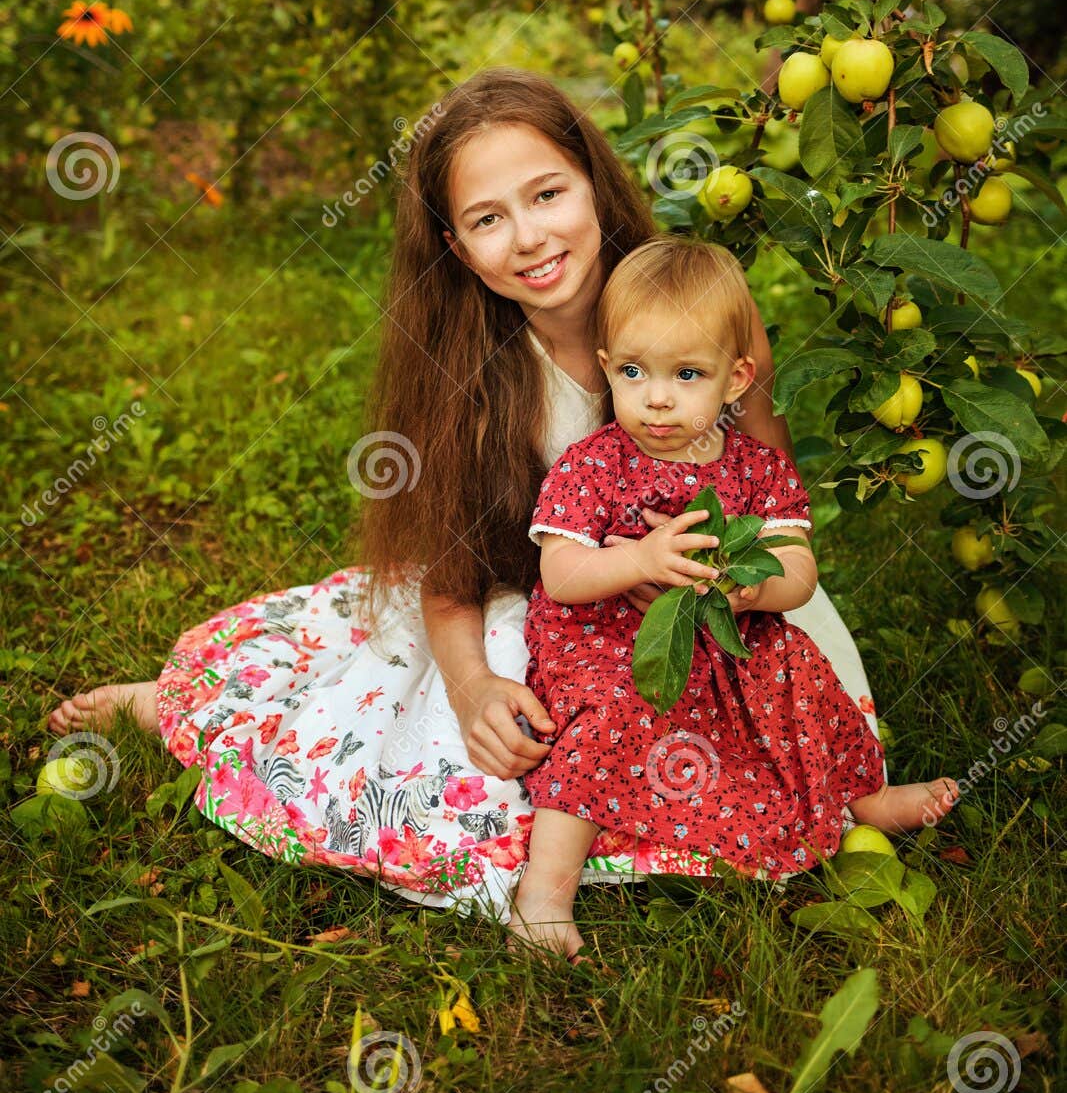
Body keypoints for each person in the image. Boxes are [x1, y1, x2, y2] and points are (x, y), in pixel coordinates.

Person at [48, 68, 894, 922]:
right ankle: (183, 710)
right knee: (453, 758)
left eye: (547, 194)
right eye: (489, 219)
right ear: (456, 246)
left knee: (800, 731)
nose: (528, 237)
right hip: (553, 609)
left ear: (595, 187)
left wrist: (721, 571)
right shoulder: (472, 372)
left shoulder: (701, 309)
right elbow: (452, 572)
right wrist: (471, 690)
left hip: (717, 605)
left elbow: (771, 489)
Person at [508, 238, 959, 962]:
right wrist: (637, 560)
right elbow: (559, 574)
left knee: (801, 671)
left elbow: (798, 570)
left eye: (686, 374)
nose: (656, 397)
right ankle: (545, 892)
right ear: (605, 369)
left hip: (725, 628)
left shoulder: (756, 470)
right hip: (610, 633)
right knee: (606, 709)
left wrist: (752, 588)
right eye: (632, 372)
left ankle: (861, 796)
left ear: (733, 379)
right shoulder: (592, 462)